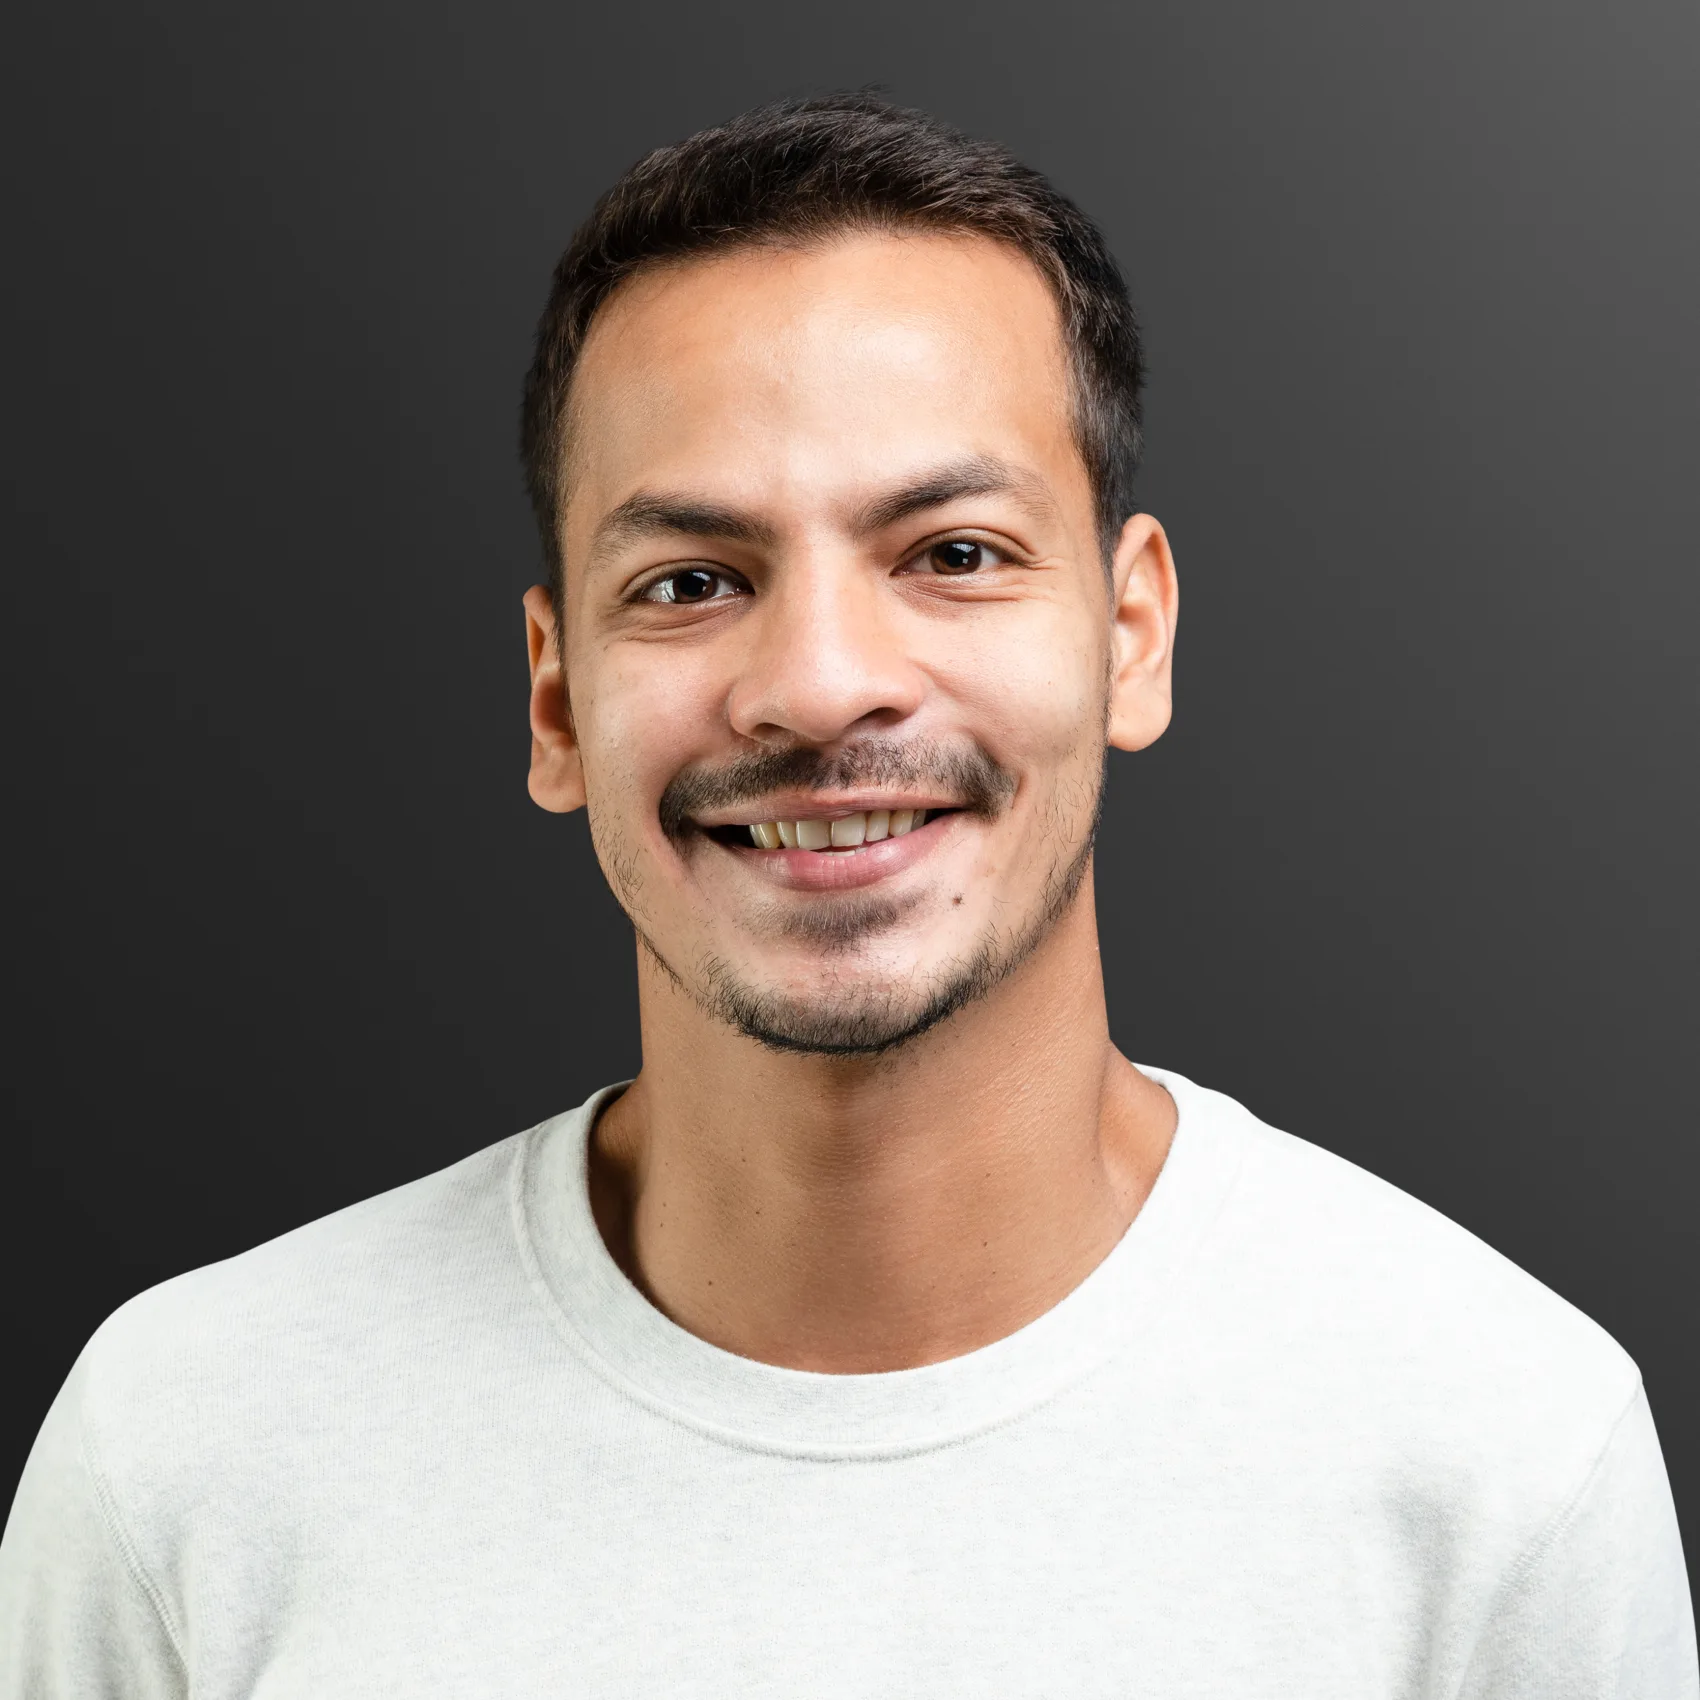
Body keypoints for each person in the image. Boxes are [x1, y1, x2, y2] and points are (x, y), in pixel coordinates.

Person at [1, 93, 1693, 1698]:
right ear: (556, 702)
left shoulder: (1503, 1453)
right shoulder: (185, 1461)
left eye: (952, 553)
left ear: (1133, 634)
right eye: (690, 581)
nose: (816, 685)